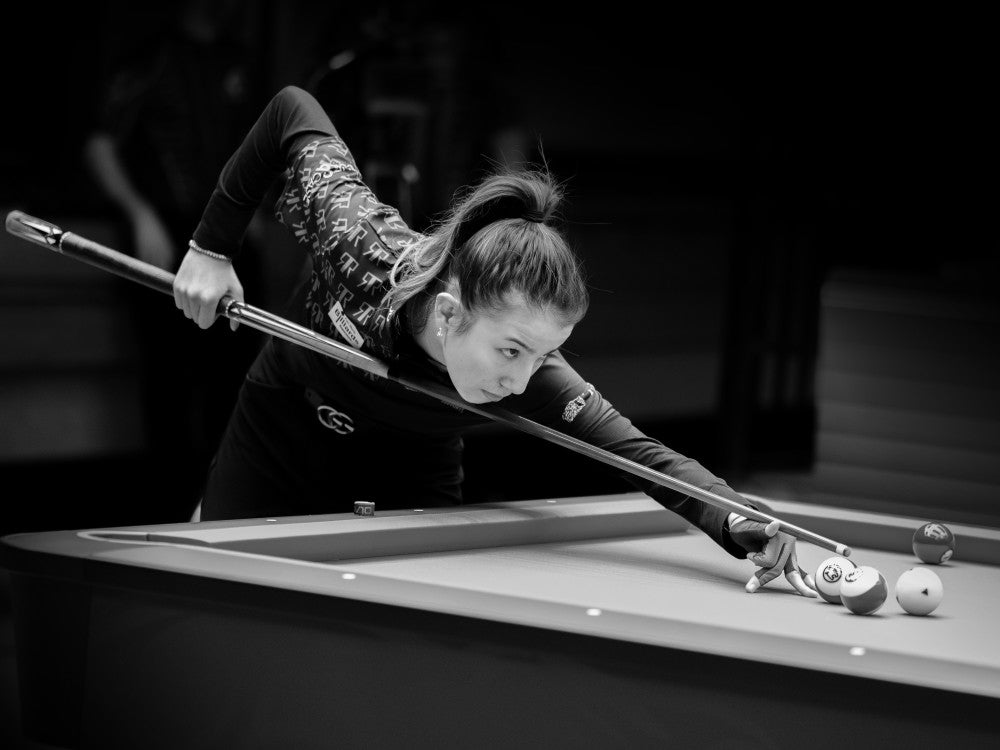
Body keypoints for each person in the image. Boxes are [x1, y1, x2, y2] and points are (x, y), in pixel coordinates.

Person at [174, 85, 817, 596]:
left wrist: (733, 515)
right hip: (287, 420)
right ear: (449, 314)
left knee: (418, 627)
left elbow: (641, 456)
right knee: (199, 581)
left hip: (414, 462)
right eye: (511, 350)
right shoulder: (361, 245)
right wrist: (211, 245)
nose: (521, 380)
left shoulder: (532, 372)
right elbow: (292, 108)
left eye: (542, 354)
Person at [82, 0, 266, 519]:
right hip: (166, 235)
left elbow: (259, 149)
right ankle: (168, 514)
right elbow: (99, 144)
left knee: (235, 381)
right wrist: (140, 214)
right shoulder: (152, 57)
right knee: (170, 384)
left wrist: (256, 214)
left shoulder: (238, 60)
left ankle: (225, 508)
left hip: (229, 237)